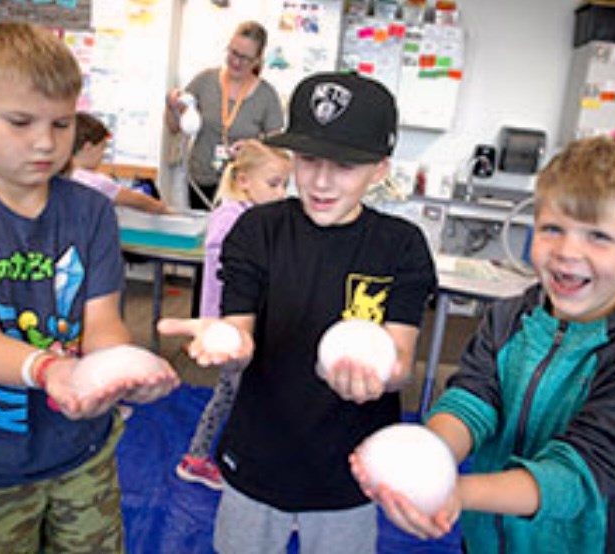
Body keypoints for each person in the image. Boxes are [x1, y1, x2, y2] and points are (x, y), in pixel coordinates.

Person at [0, 22, 180, 553]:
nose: (45, 142)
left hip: (83, 450)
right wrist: (53, 369)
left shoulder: (92, 210)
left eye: (62, 122)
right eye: (20, 121)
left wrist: (122, 369)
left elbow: (102, 324)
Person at [351, 136, 615, 553]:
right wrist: (428, 459)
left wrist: (457, 492)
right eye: (552, 229)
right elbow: (472, 401)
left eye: (599, 237)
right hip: (484, 543)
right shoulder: (509, 318)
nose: (568, 252)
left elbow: (577, 475)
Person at [159, 72, 437, 553]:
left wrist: (379, 373)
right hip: (258, 457)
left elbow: (401, 362)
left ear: (379, 169)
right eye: (308, 159)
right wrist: (227, 343)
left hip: (350, 469)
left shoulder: (401, 246)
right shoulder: (257, 231)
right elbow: (239, 339)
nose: (322, 181)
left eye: (346, 165)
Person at [176, 138, 291, 490]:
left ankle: (197, 457)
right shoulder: (232, 221)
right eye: (274, 184)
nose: (282, 193)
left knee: (229, 393)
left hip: (243, 326)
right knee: (246, 397)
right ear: (244, 181)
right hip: (229, 328)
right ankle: (215, 460)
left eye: (286, 185)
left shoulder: (249, 216)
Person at [165, 20, 284, 210]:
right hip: (200, 181)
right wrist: (171, 107)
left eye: (244, 57)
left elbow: (277, 149)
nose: (236, 61)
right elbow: (174, 128)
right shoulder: (205, 81)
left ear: (257, 59)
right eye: (233, 53)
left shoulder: (266, 96)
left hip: (242, 188)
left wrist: (252, 147)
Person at [69, 111, 171, 214]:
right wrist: (165, 210)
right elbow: (139, 201)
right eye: (102, 149)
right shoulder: (97, 183)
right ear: (88, 148)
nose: (103, 155)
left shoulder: (60, 175)